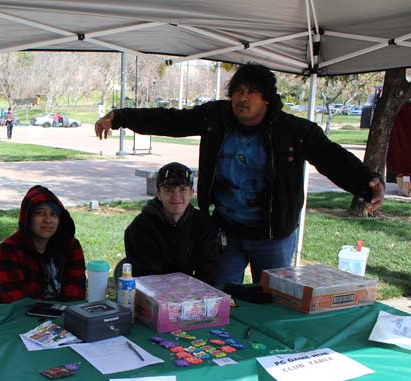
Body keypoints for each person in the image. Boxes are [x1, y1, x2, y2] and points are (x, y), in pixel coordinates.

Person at [95, 63, 385, 285]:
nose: (241, 98)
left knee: (272, 300)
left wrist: (365, 181)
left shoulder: (293, 131)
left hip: (273, 237)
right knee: (221, 296)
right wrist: (121, 118)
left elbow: (330, 156)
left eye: (250, 92)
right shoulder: (215, 118)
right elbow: (172, 120)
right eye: (237, 91)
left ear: (268, 98)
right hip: (226, 232)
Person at [124, 162, 217, 284]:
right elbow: (146, 276)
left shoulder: (202, 224)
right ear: (158, 194)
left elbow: (208, 272)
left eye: (182, 189)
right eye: (168, 190)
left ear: (191, 193)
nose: (176, 196)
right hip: (152, 292)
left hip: (192, 293)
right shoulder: (140, 227)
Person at [0, 185, 86, 303]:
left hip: (64, 316)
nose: (48, 220)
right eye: (40, 213)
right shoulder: (9, 250)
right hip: (20, 317)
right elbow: (20, 301)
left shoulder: (71, 246)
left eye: (53, 214)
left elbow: (76, 294)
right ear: (28, 217)